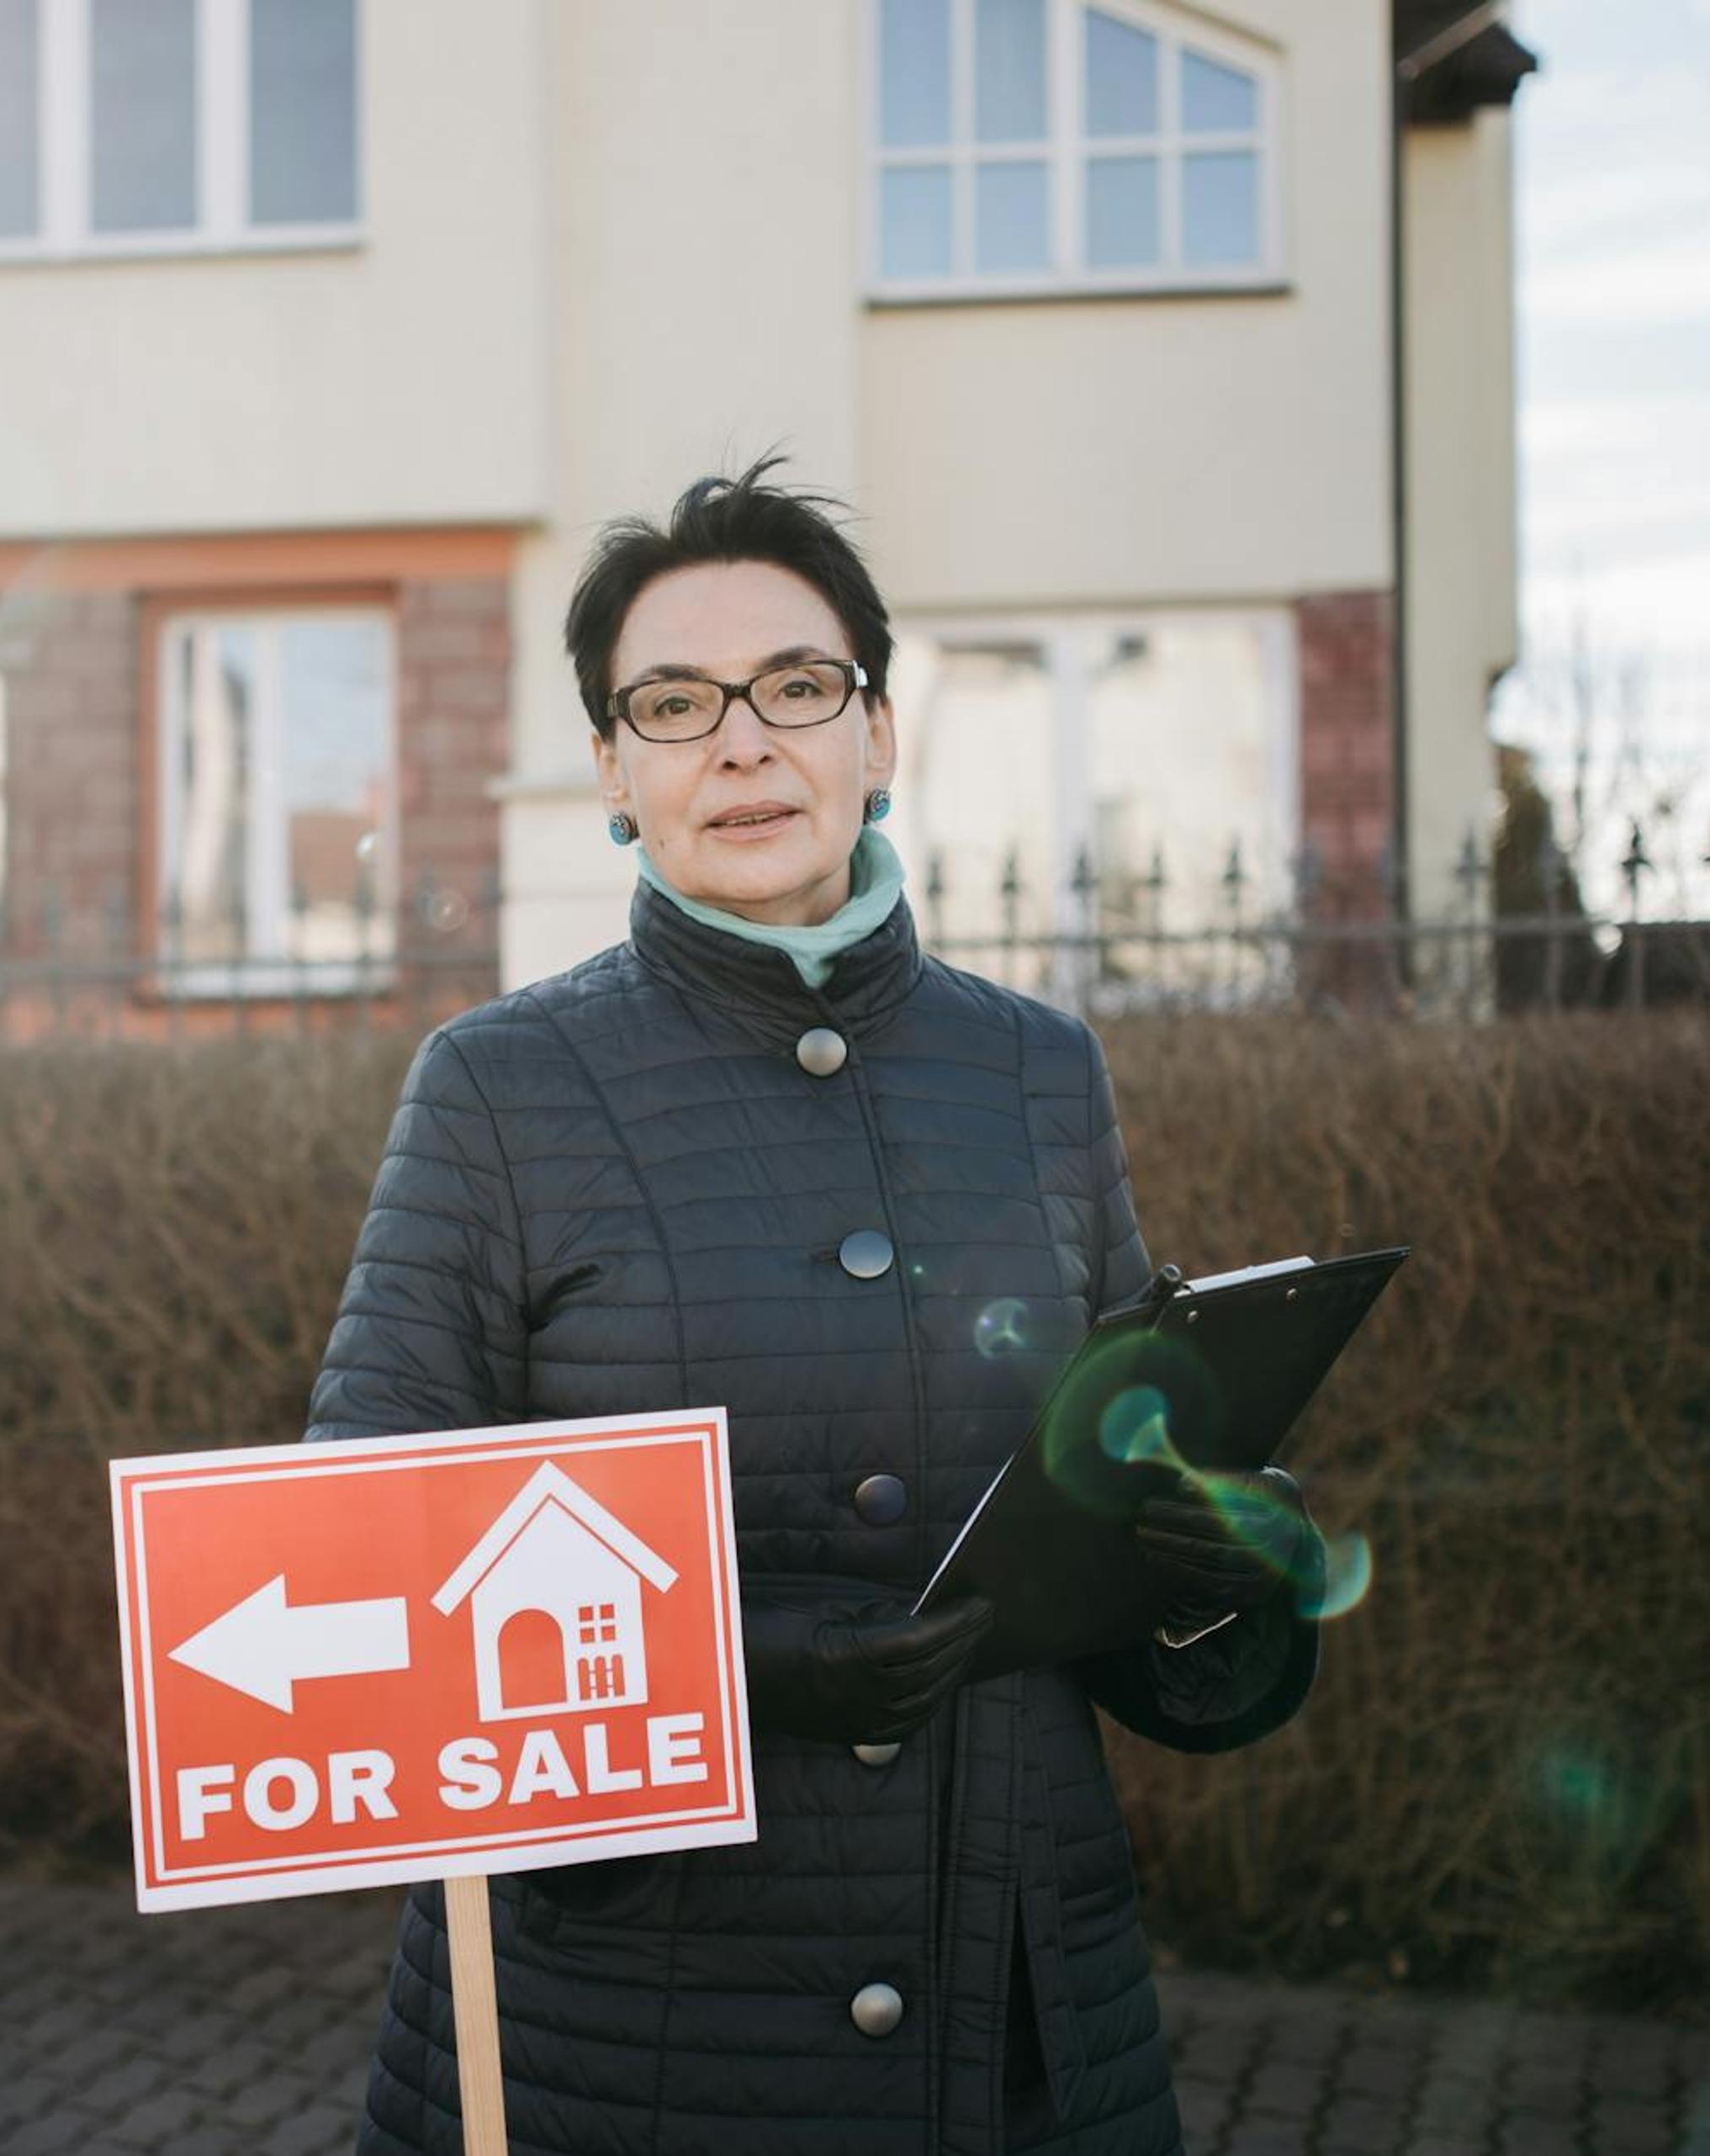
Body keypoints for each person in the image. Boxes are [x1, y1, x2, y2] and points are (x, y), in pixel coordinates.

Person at [305, 455, 1329, 2156]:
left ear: (881, 733)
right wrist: (753, 1664)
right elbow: (364, 1567)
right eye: (675, 701)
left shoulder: (1038, 1073)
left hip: (1009, 2007)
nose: (743, 738)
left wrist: (1217, 1569)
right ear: (614, 775)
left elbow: (1092, 1513)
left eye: (796, 685)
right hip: (622, 2027)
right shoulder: (499, 1089)